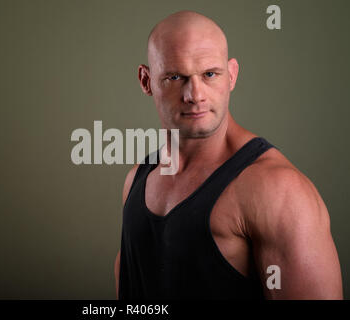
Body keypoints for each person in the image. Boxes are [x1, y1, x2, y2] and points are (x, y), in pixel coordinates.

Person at [114, 10, 342, 299]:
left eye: (210, 74)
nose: (194, 95)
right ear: (146, 81)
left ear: (231, 75)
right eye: (175, 77)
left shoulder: (278, 190)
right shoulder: (136, 180)